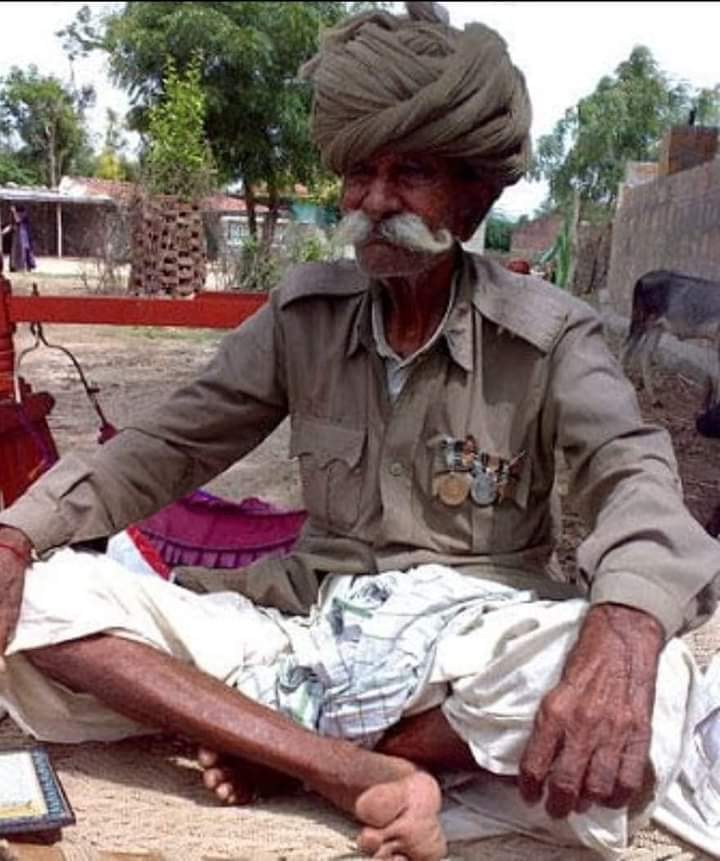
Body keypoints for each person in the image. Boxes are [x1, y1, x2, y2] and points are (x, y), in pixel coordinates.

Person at [0, 4, 718, 859]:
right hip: (306, 628)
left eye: (411, 171)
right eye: (360, 172)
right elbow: (167, 446)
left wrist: (625, 629)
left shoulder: (550, 333)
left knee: (652, 680)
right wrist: (17, 534)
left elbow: (634, 472)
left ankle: (276, 744)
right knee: (39, 598)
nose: (376, 202)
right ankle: (350, 767)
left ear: (476, 193)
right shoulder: (303, 316)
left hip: (467, 645)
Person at [1, 204, 36, 273]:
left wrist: (14, 212)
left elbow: (18, 221)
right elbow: (12, 225)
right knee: (15, 252)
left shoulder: (23, 215)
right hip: (16, 237)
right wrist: (3, 232)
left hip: (23, 237)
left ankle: (25, 267)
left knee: (24, 252)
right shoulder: (15, 216)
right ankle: (15, 267)